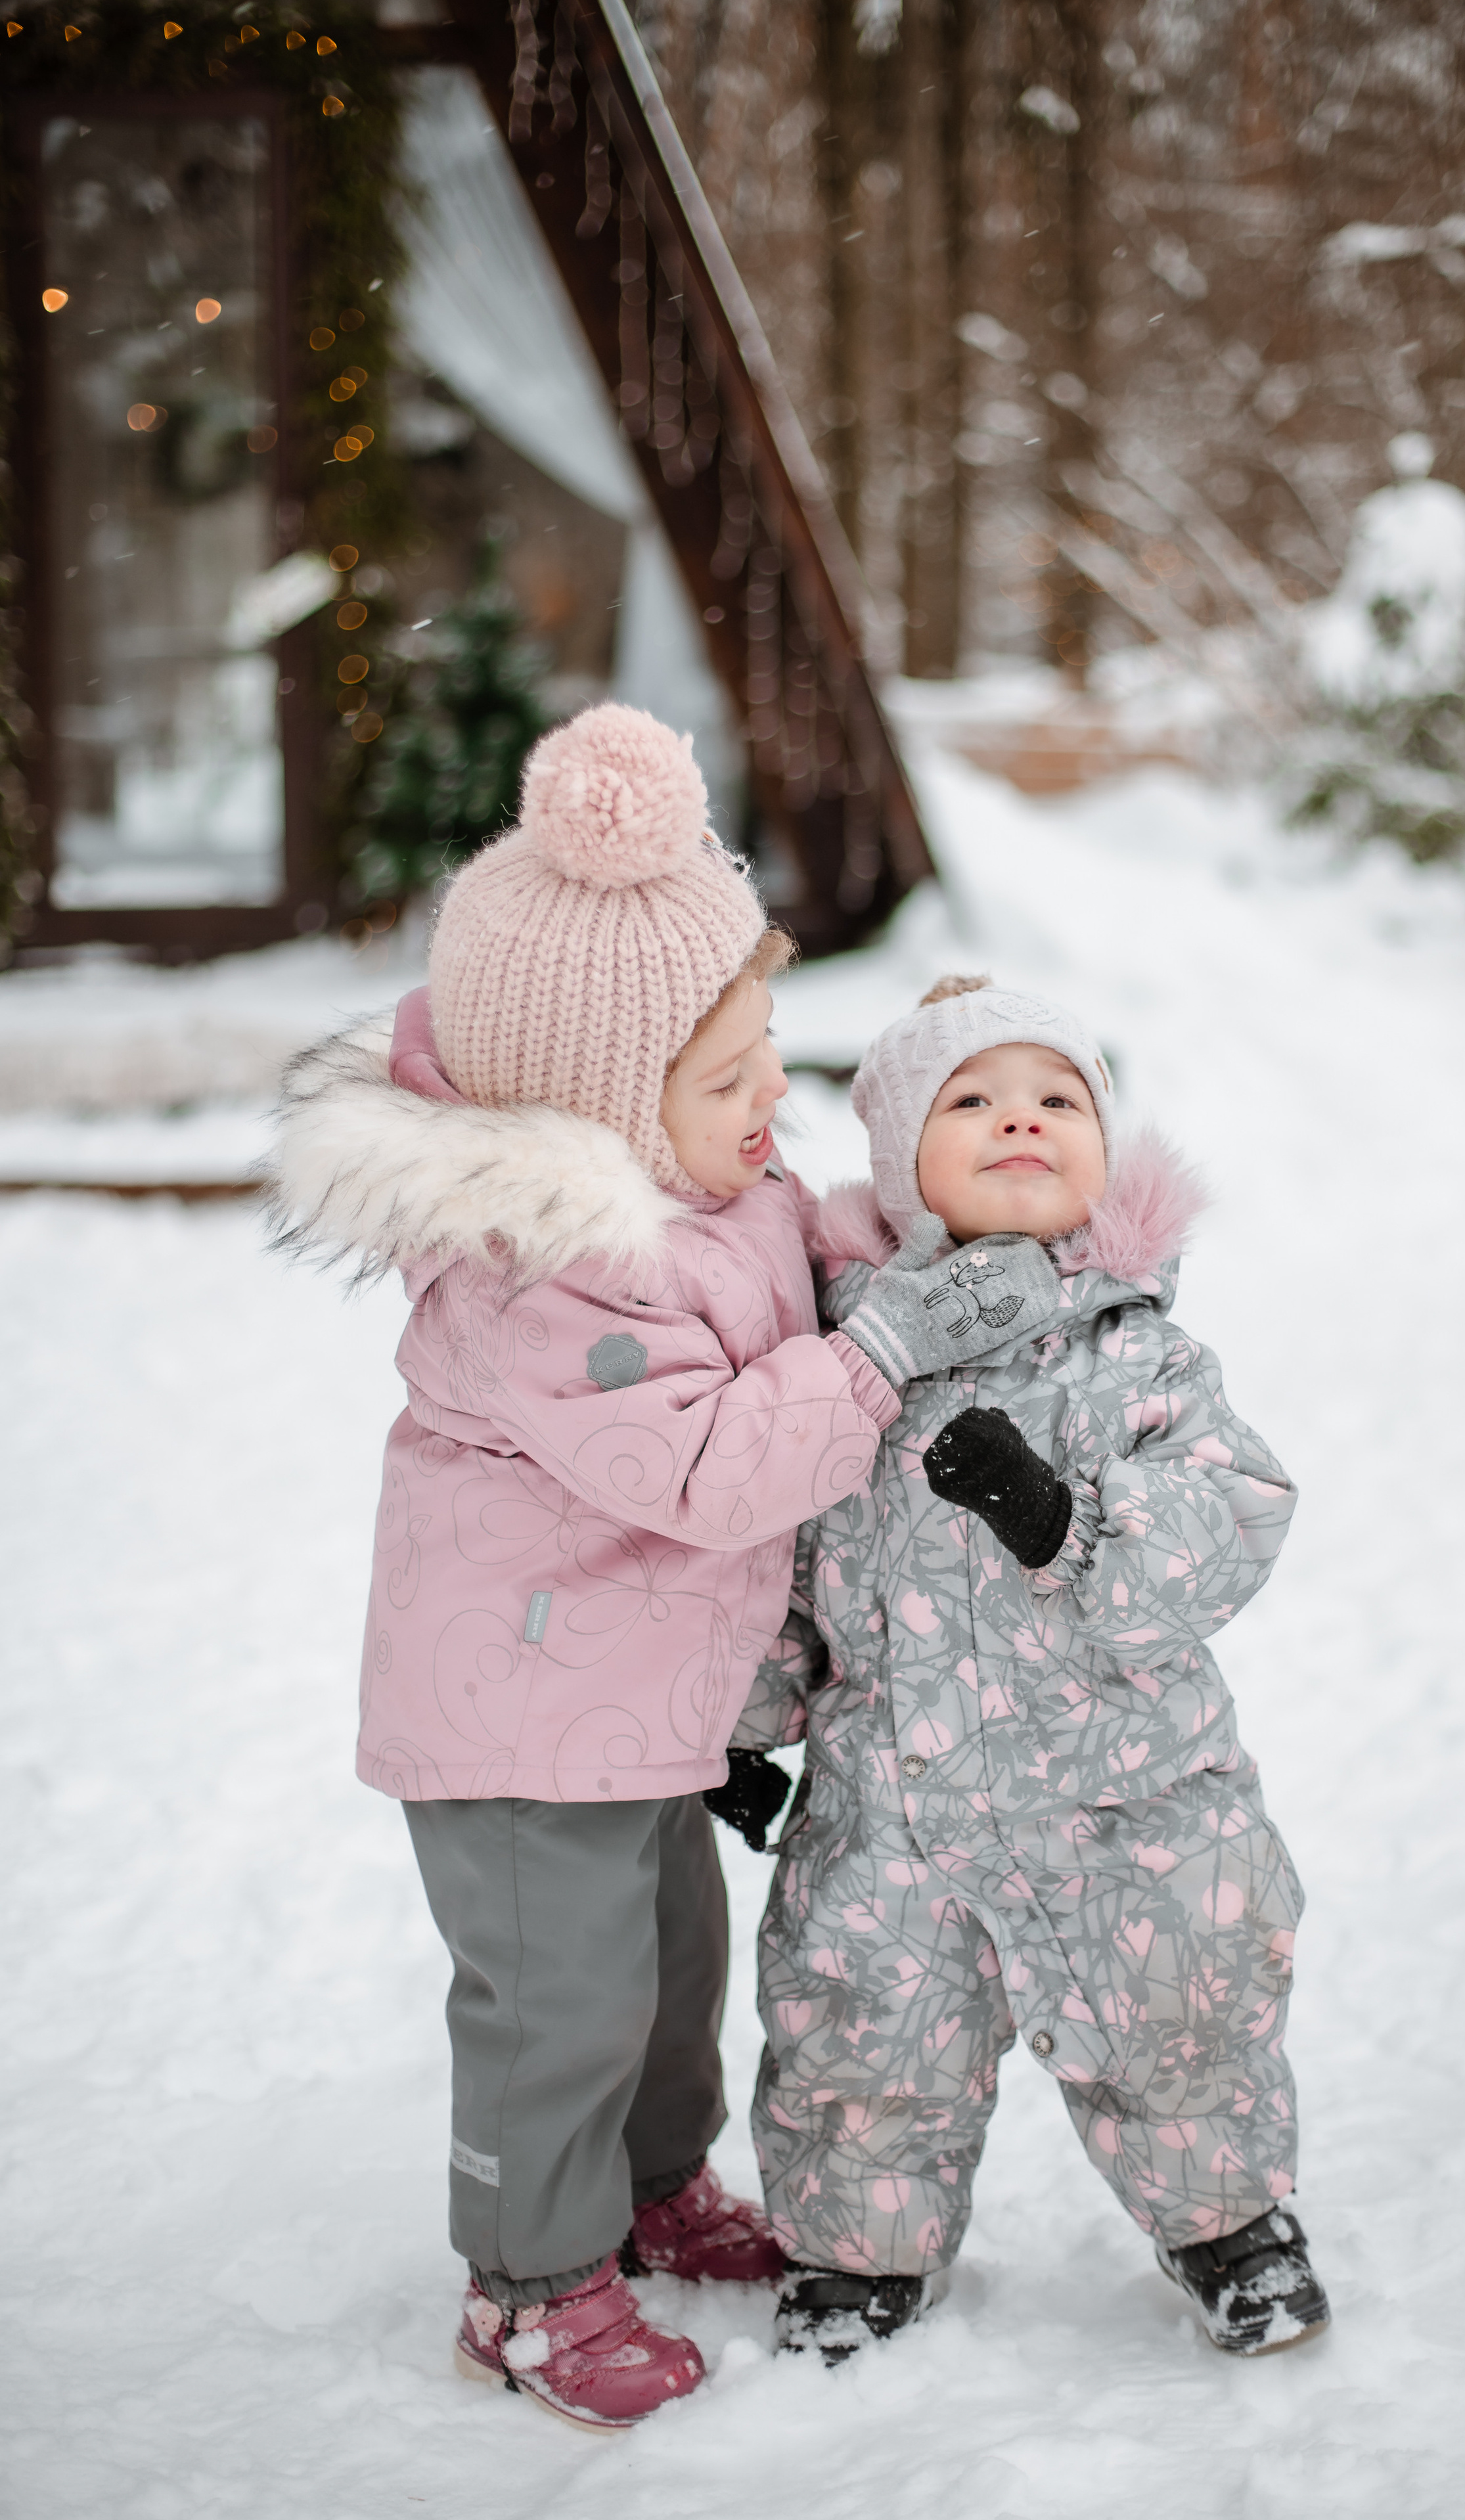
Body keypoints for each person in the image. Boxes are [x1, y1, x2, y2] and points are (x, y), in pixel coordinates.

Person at [265, 704, 902, 2432]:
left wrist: (904, 1231)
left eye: (770, 1051)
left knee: (669, 1967)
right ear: (602, 1116)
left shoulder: (712, 1187)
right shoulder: (547, 1270)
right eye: (728, 1078)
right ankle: (530, 2286)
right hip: (519, 1723)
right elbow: (703, 1463)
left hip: (629, 1709)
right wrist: (875, 1364)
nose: (773, 1098)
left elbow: (797, 1265)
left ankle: (649, 2184)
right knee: (561, 2001)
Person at [737, 975, 1332, 2362]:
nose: (1022, 1120)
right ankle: (855, 2257)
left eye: (1058, 1098)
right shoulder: (847, 1365)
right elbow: (780, 1558)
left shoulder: (1139, 1354)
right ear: (902, 1166)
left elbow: (1232, 1516)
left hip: (1122, 1796)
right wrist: (744, 1721)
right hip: (892, 1801)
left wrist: (1057, 1520)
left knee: (1179, 2017)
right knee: (860, 2033)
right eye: (973, 1101)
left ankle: (1230, 2225)